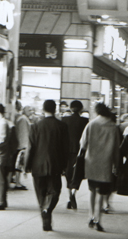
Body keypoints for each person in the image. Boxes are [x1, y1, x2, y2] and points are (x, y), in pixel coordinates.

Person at [25, 99, 69, 231]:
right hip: (55, 165)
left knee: (40, 192)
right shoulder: (62, 126)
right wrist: (65, 166)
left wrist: (26, 165)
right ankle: (47, 209)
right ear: (55, 109)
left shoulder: (36, 126)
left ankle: (45, 214)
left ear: (43, 110)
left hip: (37, 165)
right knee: (55, 190)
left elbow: (30, 147)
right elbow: (65, 149)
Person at [79, 103, 121, 232]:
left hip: (91, 162)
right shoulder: (113, 127)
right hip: (106, 164)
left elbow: (83, 143)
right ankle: (98, 219)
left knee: (92, 190)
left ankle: (91, 216)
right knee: (102, 193)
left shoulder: (91, 124)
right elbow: (116, 148)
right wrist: (117, 164)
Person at [61, 100, 89, 210]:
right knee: (78, 173)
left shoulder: (65, 120)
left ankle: (69, 196)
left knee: (68, 173)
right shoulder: (85, 121)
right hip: (80, 151)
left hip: (67, 151)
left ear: (71, 108)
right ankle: (73, 192)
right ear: (81, 109)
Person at [10, 103, 31, 190]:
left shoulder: (23, 119)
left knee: (19, 164)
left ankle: (18, 181)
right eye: (29, 110)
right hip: (22, 145)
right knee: (19, 165)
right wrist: (25, 146)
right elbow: (23, 134)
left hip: (21, 145)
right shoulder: (23, 119)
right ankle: (18, 183)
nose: (31, 112)